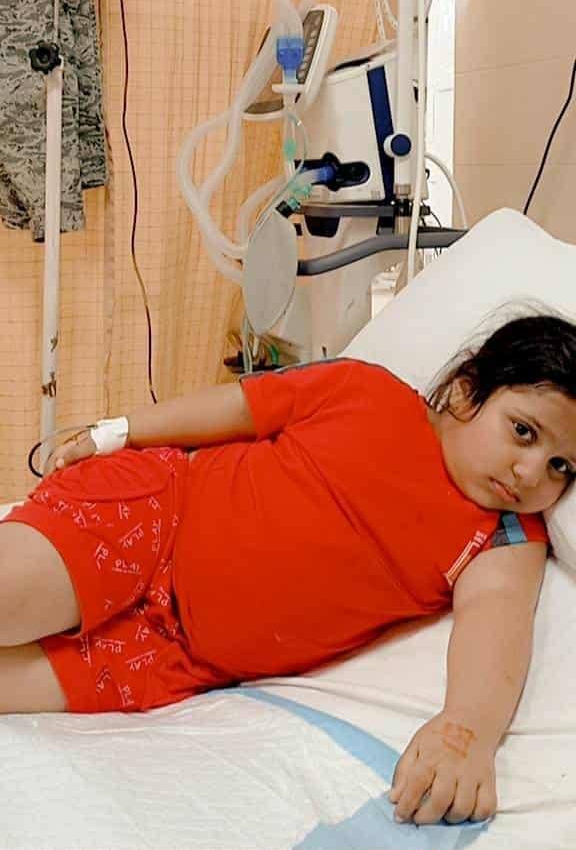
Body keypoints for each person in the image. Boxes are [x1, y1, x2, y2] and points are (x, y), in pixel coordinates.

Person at [1, 313, 576, 828]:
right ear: (467, 390)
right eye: (523, 431)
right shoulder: (367, 392)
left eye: (561, 466)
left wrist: (466, 733)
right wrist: (119, 431)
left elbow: (496, 623)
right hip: (156, 517)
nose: (530, 473)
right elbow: (238, 409)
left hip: (172, 655)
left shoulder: (503, 535)